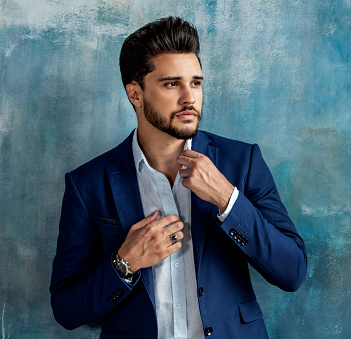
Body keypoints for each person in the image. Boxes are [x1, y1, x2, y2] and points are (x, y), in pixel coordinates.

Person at [50, 16, 307, 339]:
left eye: (196, 83)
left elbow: (293, 271)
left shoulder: (242, 162)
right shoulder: (87, 184)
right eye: (172, 84)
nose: (190, 98)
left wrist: (229, 201)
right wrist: (124, 263)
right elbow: (66, 309)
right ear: (136, 94)